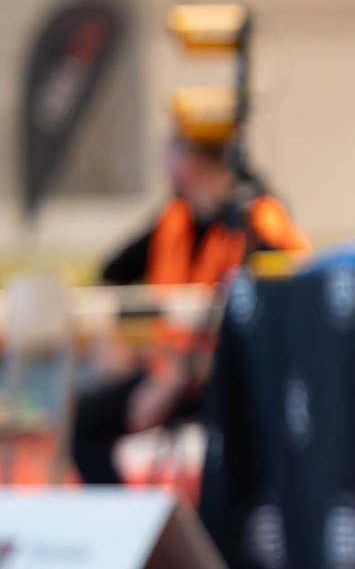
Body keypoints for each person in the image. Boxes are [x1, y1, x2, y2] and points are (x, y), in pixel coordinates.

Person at [71, 127, 305, 486]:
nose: (161, 157)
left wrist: (174, 378)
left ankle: (217, 528)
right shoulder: (174, 218)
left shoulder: (258, 222)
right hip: (172, 371)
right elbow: (110, 274)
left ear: (189, 159)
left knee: (234, 422)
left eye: (169, 147)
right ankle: (131, 530)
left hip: (227, 375)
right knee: (83, 422)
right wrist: (118, 348)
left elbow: (283, 307)